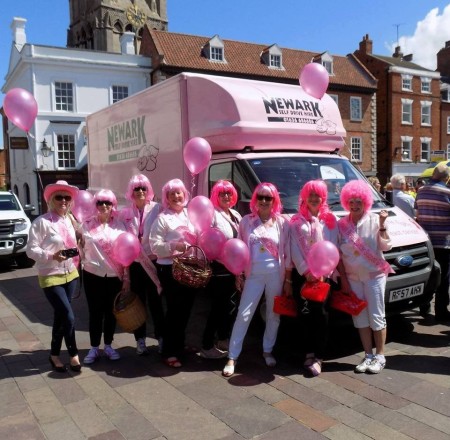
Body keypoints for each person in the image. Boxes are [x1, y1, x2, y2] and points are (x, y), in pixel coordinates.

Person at [222, 182, 291, 377]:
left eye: (268, 198)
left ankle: (267, 350)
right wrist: (238, 274)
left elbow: (286, 252)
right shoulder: (246, 221)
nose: (263, 201)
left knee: (273, 314)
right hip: (253, 275)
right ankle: (232, 356)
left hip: (275, 274)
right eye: (260, 197)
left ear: (274, 200)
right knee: (244, 314)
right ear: (255, 199)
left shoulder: (282, 223)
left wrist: (287, 281)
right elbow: (239, 251)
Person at [337, 180, 393, 374]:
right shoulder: (341, 224)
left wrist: (383, 225)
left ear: (365, 201)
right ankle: (368, 355)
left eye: (358, 200)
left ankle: (380, 356)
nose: (354, 204)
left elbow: (386, 246)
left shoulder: (375, 220)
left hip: (374, 275)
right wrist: (343, 278)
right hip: (353, 278)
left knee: (377, 316)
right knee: (360, 317)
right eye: (351, 200)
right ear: (346, 201)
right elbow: (338, 255)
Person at [26, 180, 82, 373]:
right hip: (50, 275)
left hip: (71, 275)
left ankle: (54, 355)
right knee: (68, 316)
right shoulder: (41, 222)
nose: (64, 201)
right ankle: (73, 354)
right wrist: (50, 256)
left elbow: (74, 247)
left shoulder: (70, 219)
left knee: (61, 316)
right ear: (51, 200)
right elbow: (30, 250)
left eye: (67, 197)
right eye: (59, 197)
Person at [289, 180, 338, 376]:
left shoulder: (330, 220)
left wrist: (323, 273)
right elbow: (293, 248)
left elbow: (332, 247)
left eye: (318, 195)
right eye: (310, 195)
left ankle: (319, 355)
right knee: (304, 315)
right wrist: (306, 271)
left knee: (322, 316)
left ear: (323, 197)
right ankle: (308, 352)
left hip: (324, 277)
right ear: (304, 197)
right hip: (304, 276)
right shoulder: (296, 221)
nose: (314, 199)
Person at [149, 178, 197, 368]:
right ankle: (169, 351)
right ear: (167, 198)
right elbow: (154, 246)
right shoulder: (162, 218)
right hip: (169, 269)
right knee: (175, 310)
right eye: (172, 193)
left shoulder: (189, 215)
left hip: (190, 267)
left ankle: (179, 345)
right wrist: (175, 246)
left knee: (186, 309)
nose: (176, 196)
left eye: (179, 192)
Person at [80, 189, 129, 364]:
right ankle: (94, 348)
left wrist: (126, 278)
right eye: (100, 203)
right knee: (95, 313)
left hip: (114, 275)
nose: (104, 206)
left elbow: (126, 253)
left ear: (113, 205)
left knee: (111, 313)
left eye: (107, 203)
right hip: (93, 275)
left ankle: (108, 345)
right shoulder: (86, 225)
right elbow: (79, 247)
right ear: (95, 205)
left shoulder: (120, 225)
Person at [119, 174, 163, 355]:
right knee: (138, 304)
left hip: (152, 263)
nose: (140, 192)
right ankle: (140, 340)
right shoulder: (125, 213)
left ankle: (161, 338)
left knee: (156, 304)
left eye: (143, 188)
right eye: (136, 189)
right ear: (131, 192)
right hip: (136, 265)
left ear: (148, 190)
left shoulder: (158, 209)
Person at [200, 180, 242, 359]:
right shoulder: (213, 215)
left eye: (229, 193)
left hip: (234, 270)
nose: (226, 196)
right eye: (222, 193)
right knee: (217, 308)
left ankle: (223, 338)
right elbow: (207, 241)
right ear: (215, 196)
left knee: (230, 307)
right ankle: (207, 344)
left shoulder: (235, 214)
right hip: (219, 268)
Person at [415, 164, 450, 322]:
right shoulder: (447, 192)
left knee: (428, 275)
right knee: (443, 279)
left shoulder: (421, 191)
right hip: (443, 241)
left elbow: (417, 210)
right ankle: (441, 311)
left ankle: (424, 307)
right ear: (446, 178)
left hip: (426, 241)